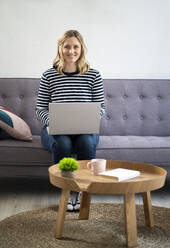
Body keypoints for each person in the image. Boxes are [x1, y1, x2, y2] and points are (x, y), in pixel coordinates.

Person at [36, 30, 105, 211]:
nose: (71, 51)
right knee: (63, 144)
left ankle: (83, 191)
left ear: (82, 49)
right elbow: (40, 109)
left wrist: (88, 119)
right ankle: (66, 192)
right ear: (60, 48)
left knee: (86, 142)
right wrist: (53, 122)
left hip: (85, 129)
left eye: (75, 46)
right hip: (55, 129)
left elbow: (101, 108)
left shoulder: (93, 75)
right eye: (67, 46)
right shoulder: (48, 75)